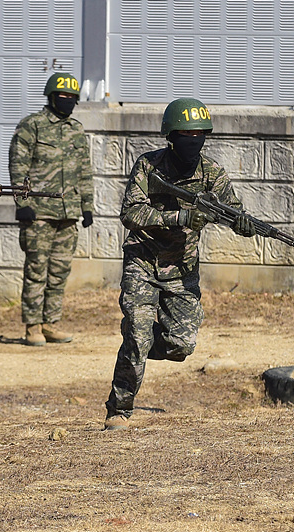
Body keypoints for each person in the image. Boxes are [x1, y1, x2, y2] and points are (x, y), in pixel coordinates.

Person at [103, 98, 256, 431]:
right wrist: (181, 216)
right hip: (142, 263)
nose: (194, 140)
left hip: (182, 270)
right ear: (170, 135)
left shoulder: (211, 173)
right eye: (187, 133)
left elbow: (233, 211)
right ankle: (120, 409)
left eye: (200, 134)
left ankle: (141, 339)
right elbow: (130, 214)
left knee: (181, 345)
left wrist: (243, 224)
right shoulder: (149, 166)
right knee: (138, 339)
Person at [8, 72, 94, 347]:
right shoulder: (32, 126)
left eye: (72, 98)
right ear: (51, 97)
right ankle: (32, 327)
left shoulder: (76, 130)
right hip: (39, 213)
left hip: (68, 213)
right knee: (36, 270)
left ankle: (50, 323)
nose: (67, 101)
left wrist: (87, 206)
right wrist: (22, 204)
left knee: (59, 272)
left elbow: (84, 171)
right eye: (62, 96)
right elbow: (18, 165)